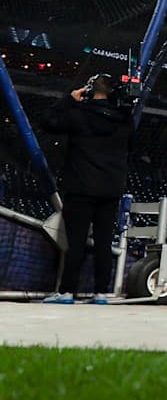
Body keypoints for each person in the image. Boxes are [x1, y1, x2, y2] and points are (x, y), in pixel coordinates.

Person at [41, 74, 132, 303]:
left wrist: (69, 100)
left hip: (81, 187)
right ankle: (101, 293)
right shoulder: (124, 120)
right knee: (103, 242)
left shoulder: (78, 115)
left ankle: (67, 292)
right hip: (110, 189)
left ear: (90, 91)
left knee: (76, 241)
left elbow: (46, 120)